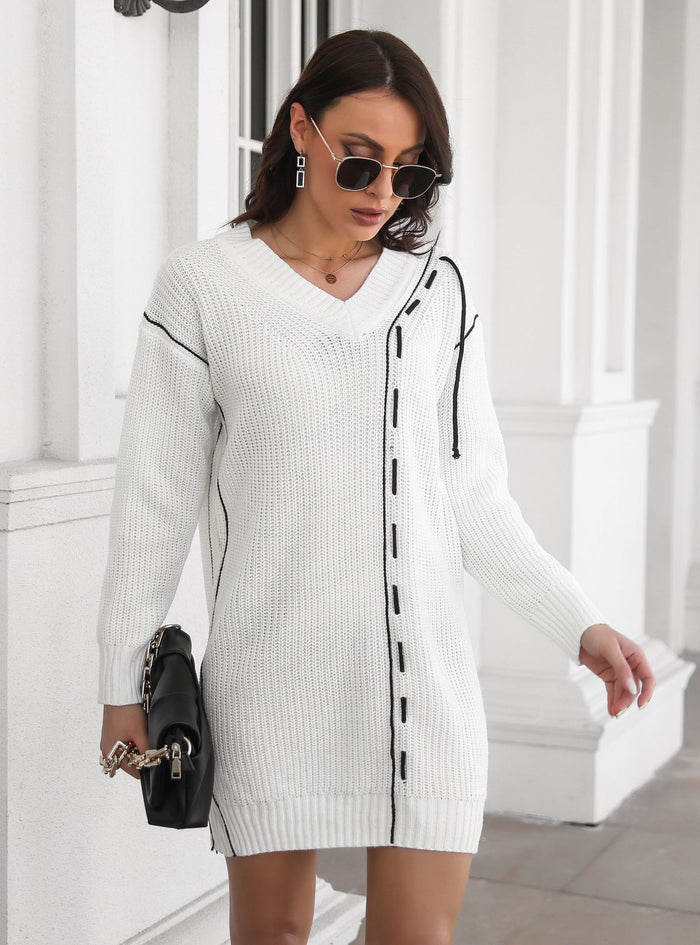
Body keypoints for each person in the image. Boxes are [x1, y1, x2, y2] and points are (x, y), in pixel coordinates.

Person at [98, 27, 655, 945]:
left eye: (411, 171)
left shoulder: (438, 294)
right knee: (273, 936)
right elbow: (153, 505)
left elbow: (474, 497)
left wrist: (580, 621)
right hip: (271, 681)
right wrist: (122, 680)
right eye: (360, 162)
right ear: (300, 131)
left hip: (419, 683)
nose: (384, 193)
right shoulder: (203, 286)